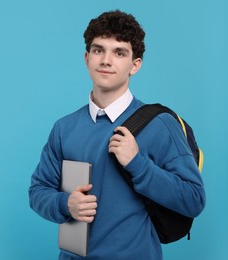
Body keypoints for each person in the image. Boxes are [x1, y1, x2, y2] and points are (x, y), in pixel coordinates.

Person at [28, 10, 206, 259]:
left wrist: (138, 164)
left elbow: (194, 198)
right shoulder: (64, 128)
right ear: (86, 57)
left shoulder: (159, 124)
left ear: (135, 64)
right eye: (98, 50)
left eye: (119, 52)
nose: (106, 60)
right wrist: (65, 204)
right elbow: (38, 190)